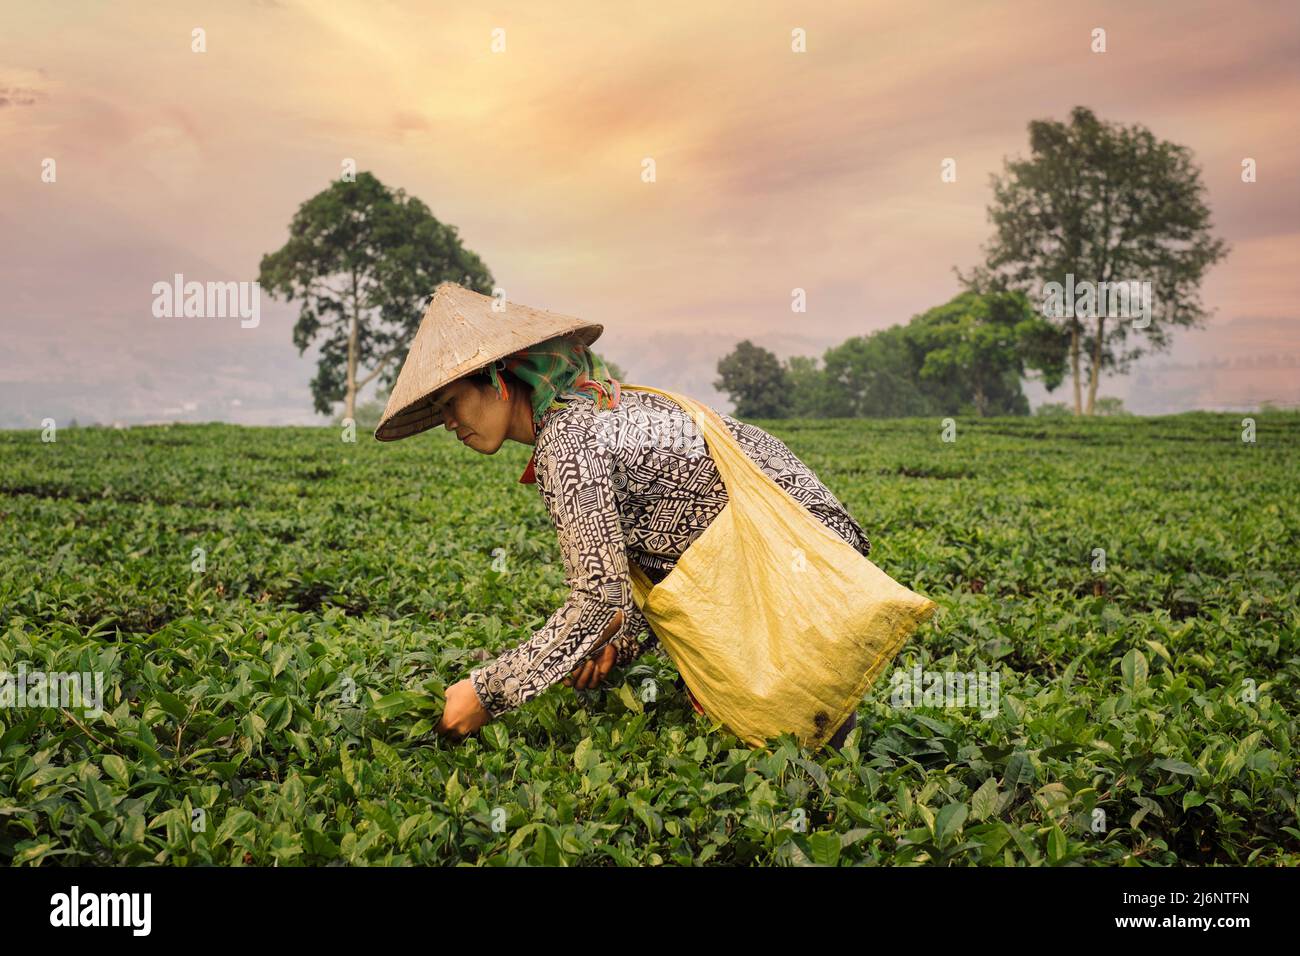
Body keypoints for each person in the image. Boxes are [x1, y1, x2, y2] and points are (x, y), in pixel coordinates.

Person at [374, 283, 870, 750]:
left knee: (784, 752)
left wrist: (486, 693)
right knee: (784, 743)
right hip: (804, 555)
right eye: (439, 412)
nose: (450, 423)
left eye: (452, 402)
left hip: (793, 570)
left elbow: (599, 600)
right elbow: (678, 542)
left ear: (500, 380)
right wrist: (622, 639)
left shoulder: (568, 441)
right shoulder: (605, 407)